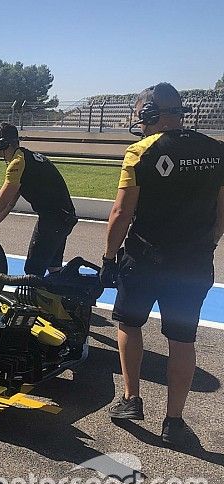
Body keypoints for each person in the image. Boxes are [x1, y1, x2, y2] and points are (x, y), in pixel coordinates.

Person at [101, 82, 224, 447]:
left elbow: (121, 213)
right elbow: (222, 215)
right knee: (182, 340)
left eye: (140, 113)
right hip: (193, 264)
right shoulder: (217, 151)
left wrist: (109, 257)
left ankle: (131, 400)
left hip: (144, 260)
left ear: (151, 113)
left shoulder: (139, 151)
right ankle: (174, 421)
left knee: (129, 324)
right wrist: (208, 244)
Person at [0, 122, 77, 275]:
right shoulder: (25, 156)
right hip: (63, 217)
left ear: (2, 143)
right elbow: (9, 203)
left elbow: (2, 201)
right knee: (53, 268)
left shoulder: (17, 163)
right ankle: (63, 296)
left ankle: (44, 297)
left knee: (33, 271)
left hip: (53, 219)